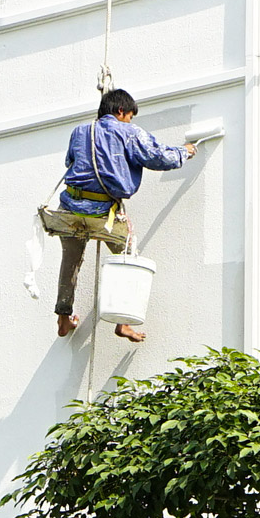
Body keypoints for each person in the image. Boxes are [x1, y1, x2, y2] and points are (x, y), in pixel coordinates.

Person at [54, 89, 197, 342]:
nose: (130, 120)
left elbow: (70, 162)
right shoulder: (128, 132)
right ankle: (123, 323)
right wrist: (184, 152)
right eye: (130, 116)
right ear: (121, 112)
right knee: (127, 256)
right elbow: (158, 157)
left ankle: (64, 317)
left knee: (71, 261)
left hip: (70, 208)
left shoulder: (80, 132)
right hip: (102, 211)